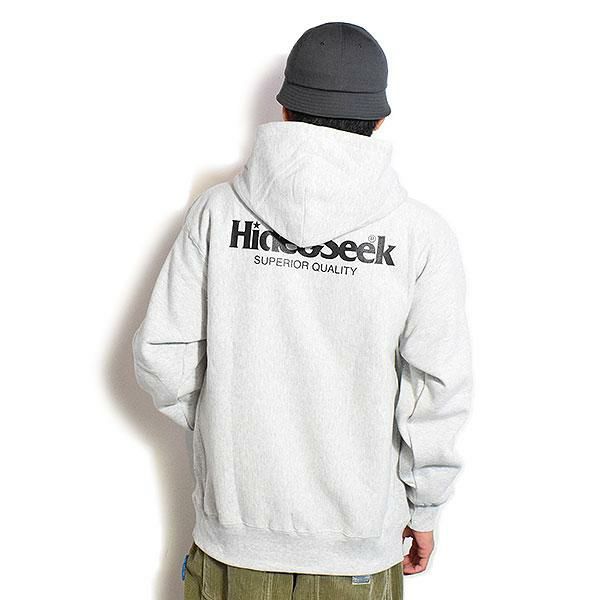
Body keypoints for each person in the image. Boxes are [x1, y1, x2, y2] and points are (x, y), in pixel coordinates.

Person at [132, 21, 472, 600]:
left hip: (233, 540)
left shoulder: (217, 214)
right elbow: (435, 390)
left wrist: (229, 424)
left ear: (285, 110)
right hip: (358, 546)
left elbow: (162, 358)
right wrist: (425, 508)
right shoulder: (420, 235)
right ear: (379, 120)